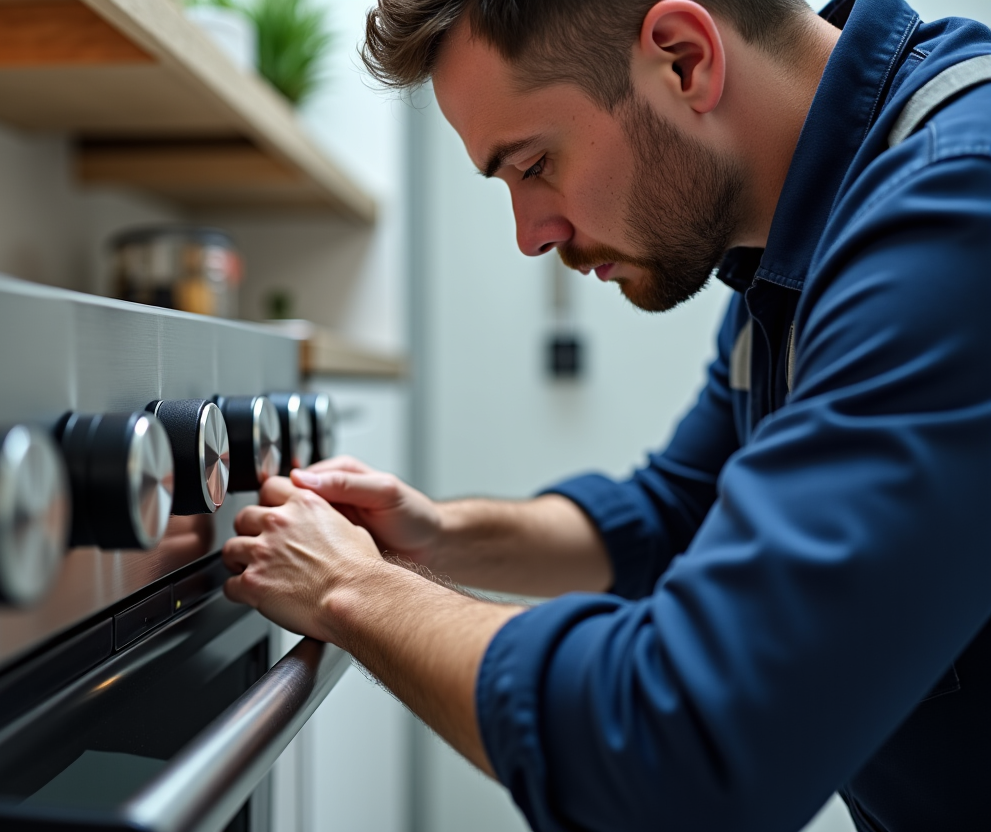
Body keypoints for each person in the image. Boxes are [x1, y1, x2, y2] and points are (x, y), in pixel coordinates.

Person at [221, 0, 991, 829]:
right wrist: (438, 534)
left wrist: (353, 588)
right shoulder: (796, 243)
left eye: (533, 164)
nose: (530, 235)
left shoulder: (954, 207)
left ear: (684, 59)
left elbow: (677, 746)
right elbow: (671, 514)